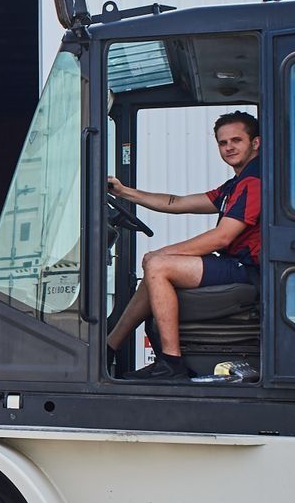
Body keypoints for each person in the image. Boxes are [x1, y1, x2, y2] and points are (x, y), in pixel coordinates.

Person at [104, 111, 262, 381]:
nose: (229, 147)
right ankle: (108, 348)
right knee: (154, 267)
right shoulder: (235, 185)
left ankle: (171, 362)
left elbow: (222, 238)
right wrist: (123, 192)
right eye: (223, 143)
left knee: (158, 265)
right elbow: (177, 202)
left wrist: (161, 255)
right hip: (234, 265)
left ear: (255, 143)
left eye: (236, 140)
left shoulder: (254, 181)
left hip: (248, 270)